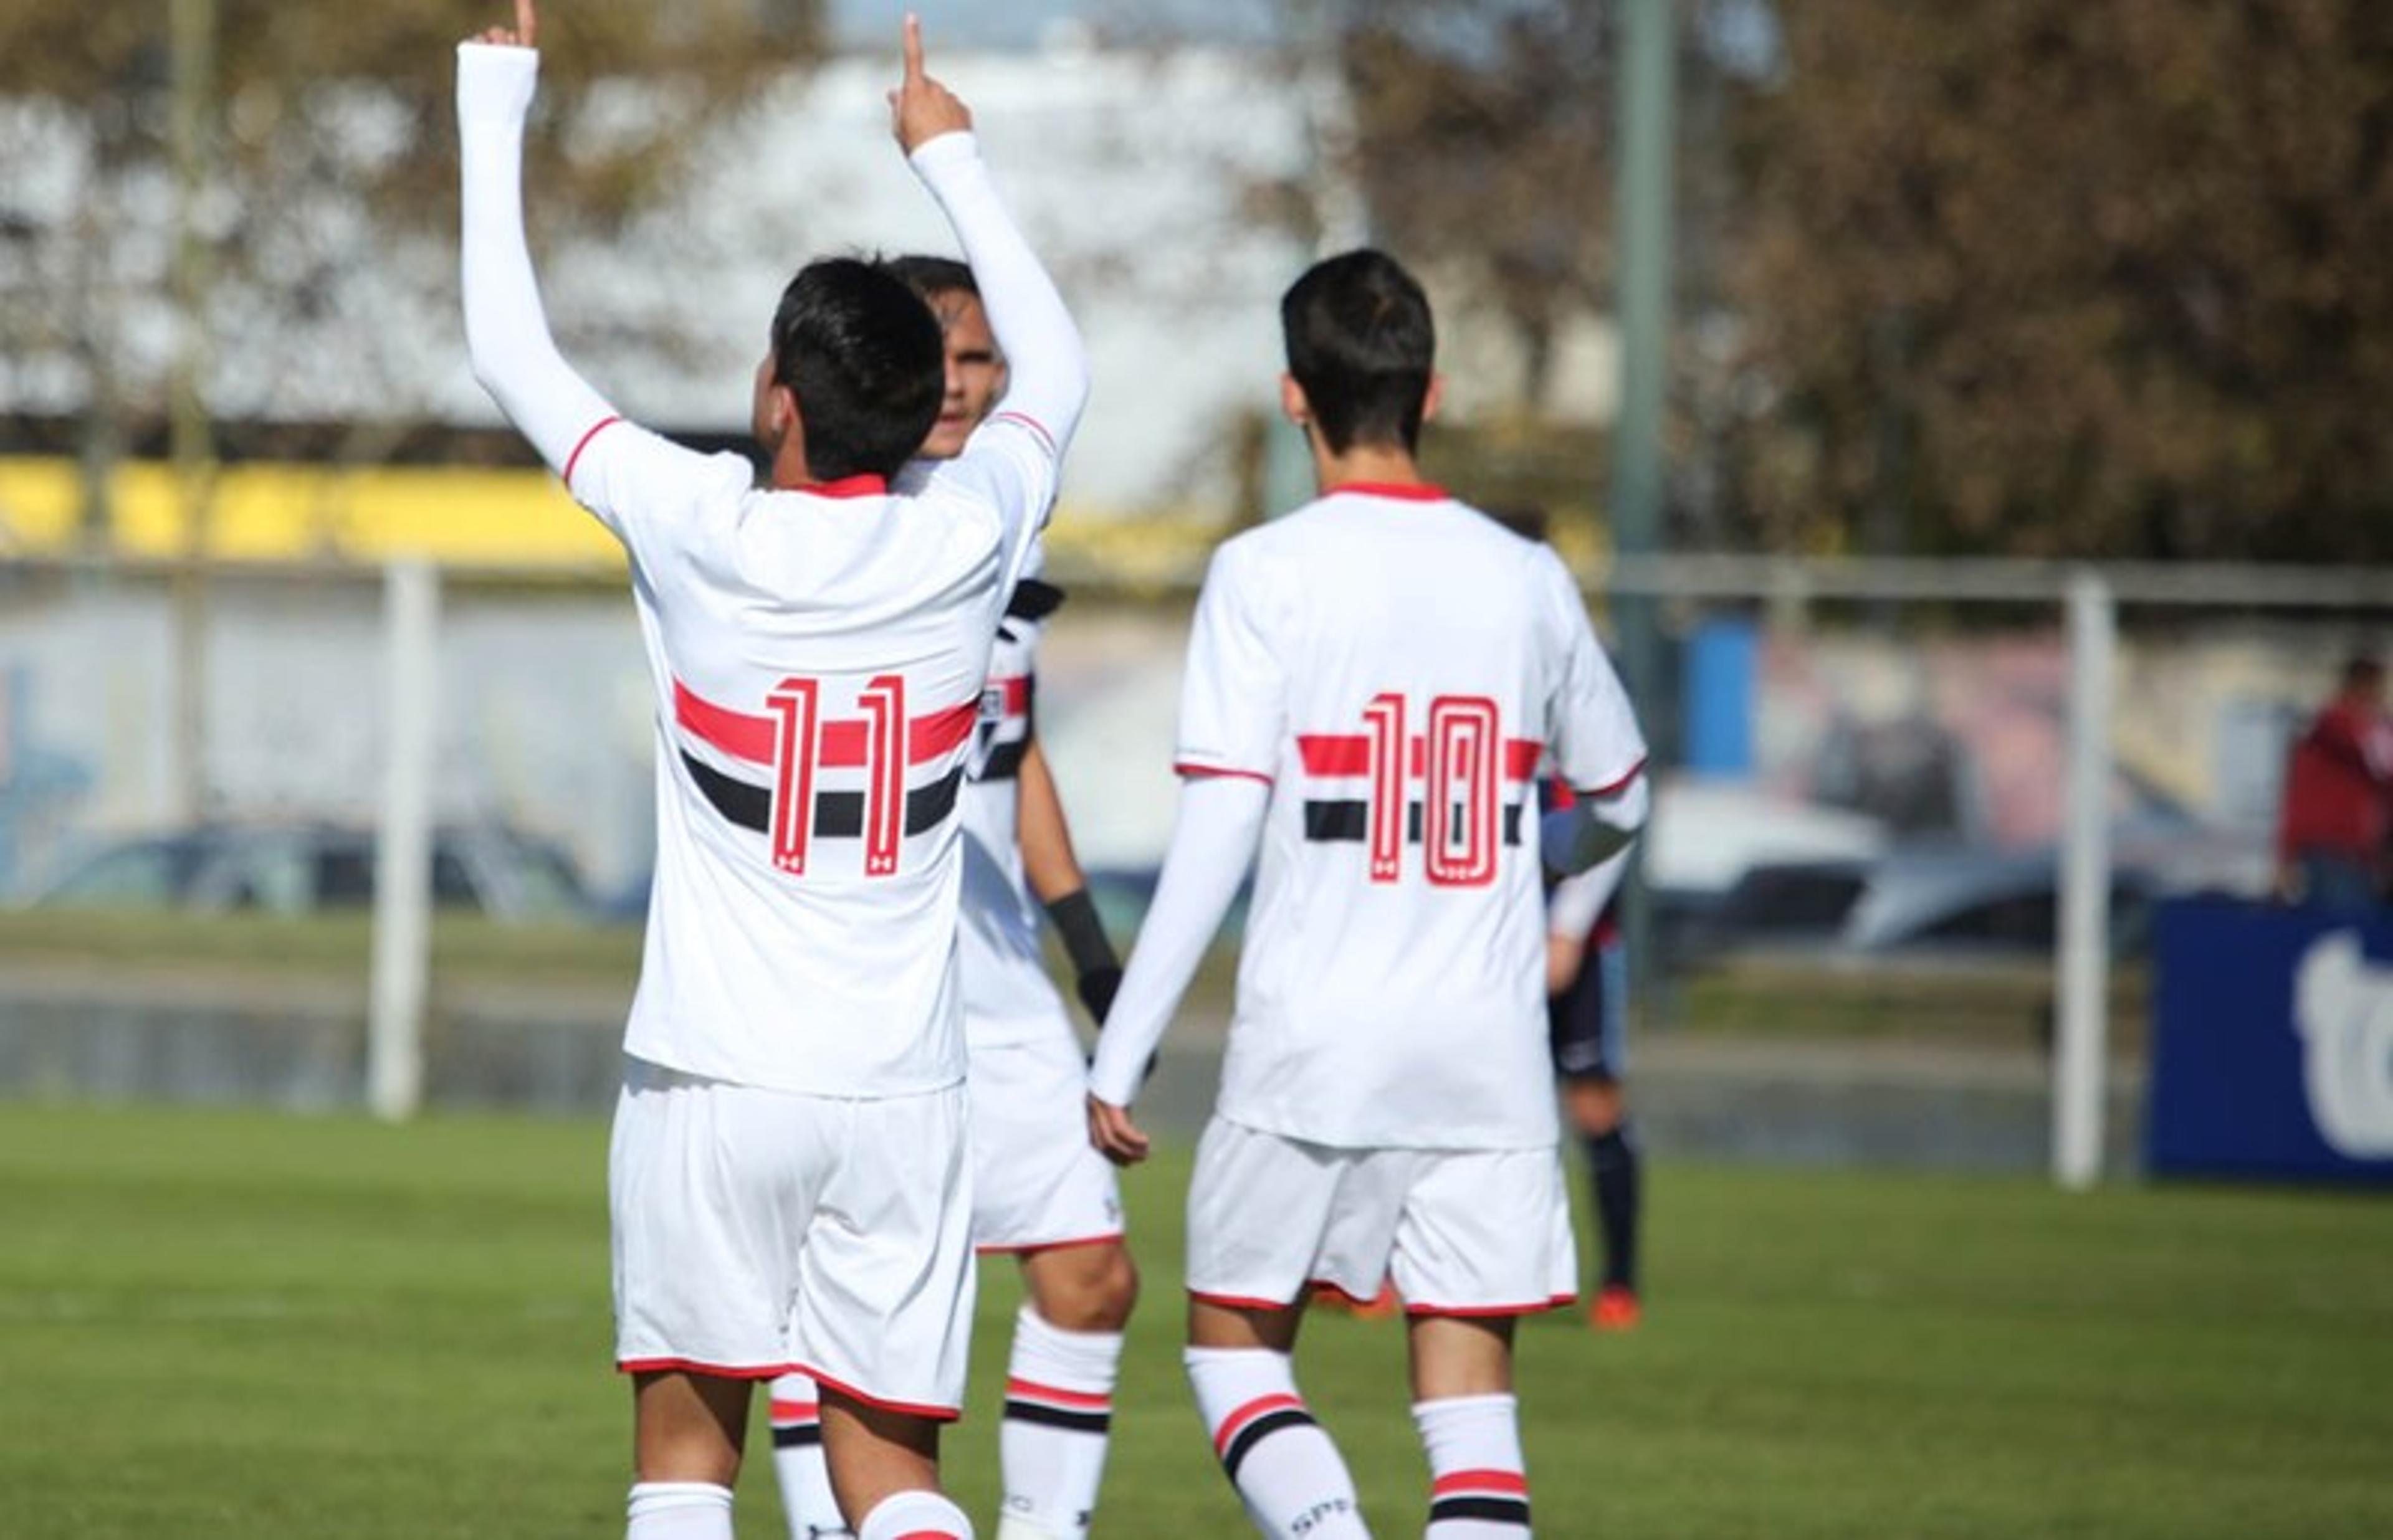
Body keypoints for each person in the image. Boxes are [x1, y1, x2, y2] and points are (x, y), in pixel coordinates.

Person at [459, 7, 1087, 1538]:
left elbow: (507, 350)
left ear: (780, 401)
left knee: (687, 1461)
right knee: (897, 1480)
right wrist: (954, 160)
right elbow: (1059, 363)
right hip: (904, 1088)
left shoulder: (702, 524)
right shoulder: (969, 532)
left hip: (715, 1073)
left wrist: (496, 100)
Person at [1086, 249, 1649, 1539]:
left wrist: (1120, 1054)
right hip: (1484, 1059)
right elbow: (1620, 797)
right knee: (1472, 1420)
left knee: (1233, 1352)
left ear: (1296, 397)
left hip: (1313, 1048)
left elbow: (1221, 828)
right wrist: (1536, 866)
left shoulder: (1264, 572)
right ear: (1432, 390)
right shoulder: (1526, 578)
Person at [770, 255, 1139, 1540]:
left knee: (1091, 1281)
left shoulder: (1004, 521)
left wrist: (1097, 965)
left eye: (982, 361)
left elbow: (1013, 755)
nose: (964, 384)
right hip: (859, 978)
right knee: (831, 1313)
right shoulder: (828, 527)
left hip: (997, 984)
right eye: (942, 358)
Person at [1545, 845, 1643, 1331]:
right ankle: (1390, 1273)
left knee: (1595, 1107)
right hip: (1491, 940)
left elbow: (1614, 815)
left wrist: (1567, 927)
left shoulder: (1573, 770)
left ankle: (1618, 1284)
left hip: (1582, 949)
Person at [2276, 655, 2393, 916]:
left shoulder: (2367, 730)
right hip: (2334, 853)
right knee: (2351, 930)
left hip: (2361, 856)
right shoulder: (2336, 727)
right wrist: (2286, 855)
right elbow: (2381, 767)